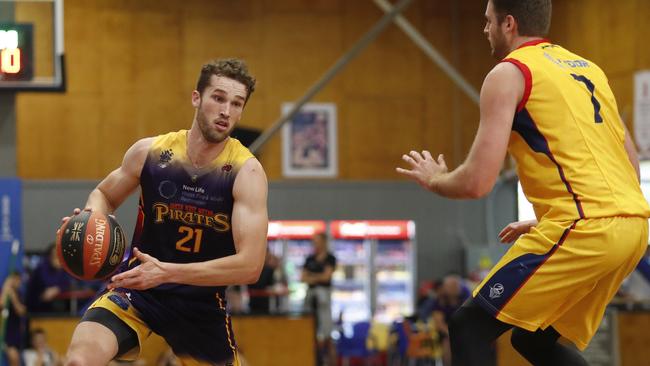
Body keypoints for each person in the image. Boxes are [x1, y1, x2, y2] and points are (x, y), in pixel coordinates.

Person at [397, 0, 650, 365]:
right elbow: (628, 163)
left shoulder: (509, 73)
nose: (484, 29)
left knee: (468, 326)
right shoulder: (588, 70)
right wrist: (560, 216)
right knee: (532, 339)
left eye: (488, 21)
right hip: (632, 229)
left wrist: (436, 179)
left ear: (509, 24)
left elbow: (478, 182)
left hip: (586, 228)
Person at [62, 58, 269, 366]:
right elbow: (104, 194)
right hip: (139, 291)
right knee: (80, 359)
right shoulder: (151, 152)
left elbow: (250, 266)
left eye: (237, 104)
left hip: (201, 305)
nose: (227, 111)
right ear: (196, 98)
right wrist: (91, 220)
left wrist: (166, 272)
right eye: (219, 98)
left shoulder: (246, 172)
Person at [301, 233, 337, 366]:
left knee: (327, 336)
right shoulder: (309, 258)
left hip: (324, 299)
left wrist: (312, 276)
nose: (314, 244)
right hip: (310, 298)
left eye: (316, 241)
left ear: (324, 242)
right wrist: (318, 276)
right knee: (310, 333)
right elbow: (303, 278)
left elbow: (326, 277)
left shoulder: (330, 258)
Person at [25, 244, 72, 314]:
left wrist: (58, 288)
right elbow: (47, 284)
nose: (57, 259)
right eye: (55, 256)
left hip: (57, 306)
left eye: (60, 256)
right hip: (36, 307)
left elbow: (68, 282)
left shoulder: (64, 268)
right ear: (49, 256)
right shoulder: (41, 268)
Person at [1, 272, 27, 366]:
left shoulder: (20, 294)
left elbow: (21, 311)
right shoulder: (3, 292)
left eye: (18, 280)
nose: (17, 282)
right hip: (5, 334)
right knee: (13, 356)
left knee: (16, 359)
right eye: (14, 279)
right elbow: (1, 305)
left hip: (15, 334)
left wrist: (13, 297)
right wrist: (5, 290)